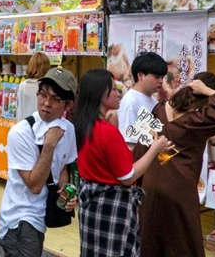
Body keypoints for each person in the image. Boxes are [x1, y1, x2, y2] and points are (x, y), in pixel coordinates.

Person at [134, 72, 215, 257]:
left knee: (150, 242)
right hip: (180, 190)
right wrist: (209, 91)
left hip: (150, 185)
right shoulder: (197, 121)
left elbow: (140, 148)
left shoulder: (160, 109)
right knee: (183, 244)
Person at [71, 69, 173, 257]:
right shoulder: (107, 132)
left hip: (92, 203)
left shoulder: (83, 125)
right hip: (112, 206)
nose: (119, 93)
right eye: (113, 89)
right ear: (101, 94)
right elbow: (127, 176)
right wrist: (155, 149)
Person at [0, 67, 78, 257]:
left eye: (56, 99)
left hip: (40, 216)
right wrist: (49, 146)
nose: (46, 103)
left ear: (68, 105)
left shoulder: (68, 129)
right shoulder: (21, 133)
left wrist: (66, 192)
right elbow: (34, 185)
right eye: (43, 95)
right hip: (20, 220)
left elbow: (63, 167)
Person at [117, 52, 167, 149]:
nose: (161, 81)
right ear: (140, 75)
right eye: (157, 77)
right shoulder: (130, 101)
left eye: (162, 77)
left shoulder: (154, 100)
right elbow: (129, 144)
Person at [16, 52, 50, 120]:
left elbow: (19, 109)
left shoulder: (22, 85)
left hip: (24, 125)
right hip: (41, 126)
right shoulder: (47, 87)